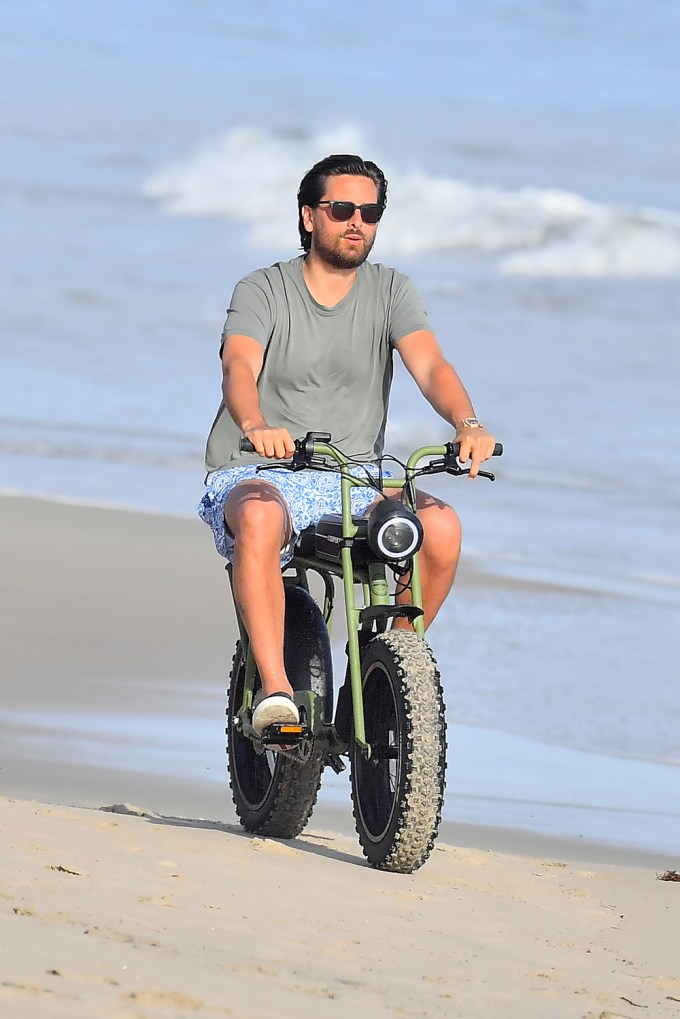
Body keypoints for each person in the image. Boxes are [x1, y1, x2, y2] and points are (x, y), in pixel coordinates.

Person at [199, 153, 496, 736]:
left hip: (352, 476)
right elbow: (238, 364)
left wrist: (467, 423)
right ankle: (277, 693)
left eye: (370, 211)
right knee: (259, 518)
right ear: (310, 216)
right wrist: (256, 422)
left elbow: (431, 365)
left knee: (442, 527)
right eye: (341, 209)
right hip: (263, 470)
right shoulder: (263, 289)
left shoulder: (391, 291)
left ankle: (389, 675)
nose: (356, 222)